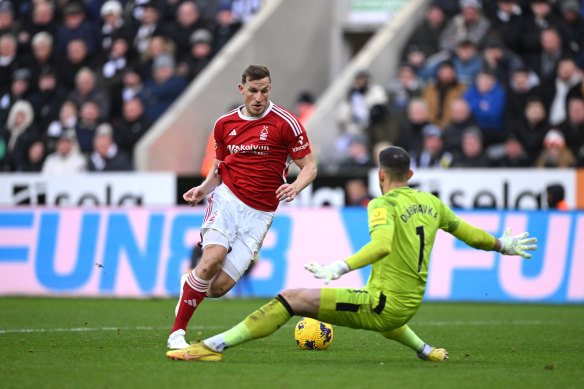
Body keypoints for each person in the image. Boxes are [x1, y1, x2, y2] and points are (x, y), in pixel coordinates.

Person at [166, 146, 537, 362]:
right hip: (406, 304)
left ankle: (211, 346)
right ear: (409, 172)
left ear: (381, 175)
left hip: (383, 303)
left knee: (290, 298)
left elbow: (382, 245)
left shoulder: (382, 204)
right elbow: (469, 234)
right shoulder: (431, 202)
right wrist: (502, 245)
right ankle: (425, 350)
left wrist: (338, 267)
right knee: (385, 314)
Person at [166, 64, 317, 350]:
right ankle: (177, 333)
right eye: (252, 91)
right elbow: (220, 167)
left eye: (264, 90)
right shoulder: (224, 125)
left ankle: (191, 284)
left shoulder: (286, 123)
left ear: (270, 89)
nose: (258, 97)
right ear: (242, 90)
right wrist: (203, 189)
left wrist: (295, 187)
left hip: (260, 215)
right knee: (212, 258)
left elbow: (310, 167)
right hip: (227, 199)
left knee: (218, 288)